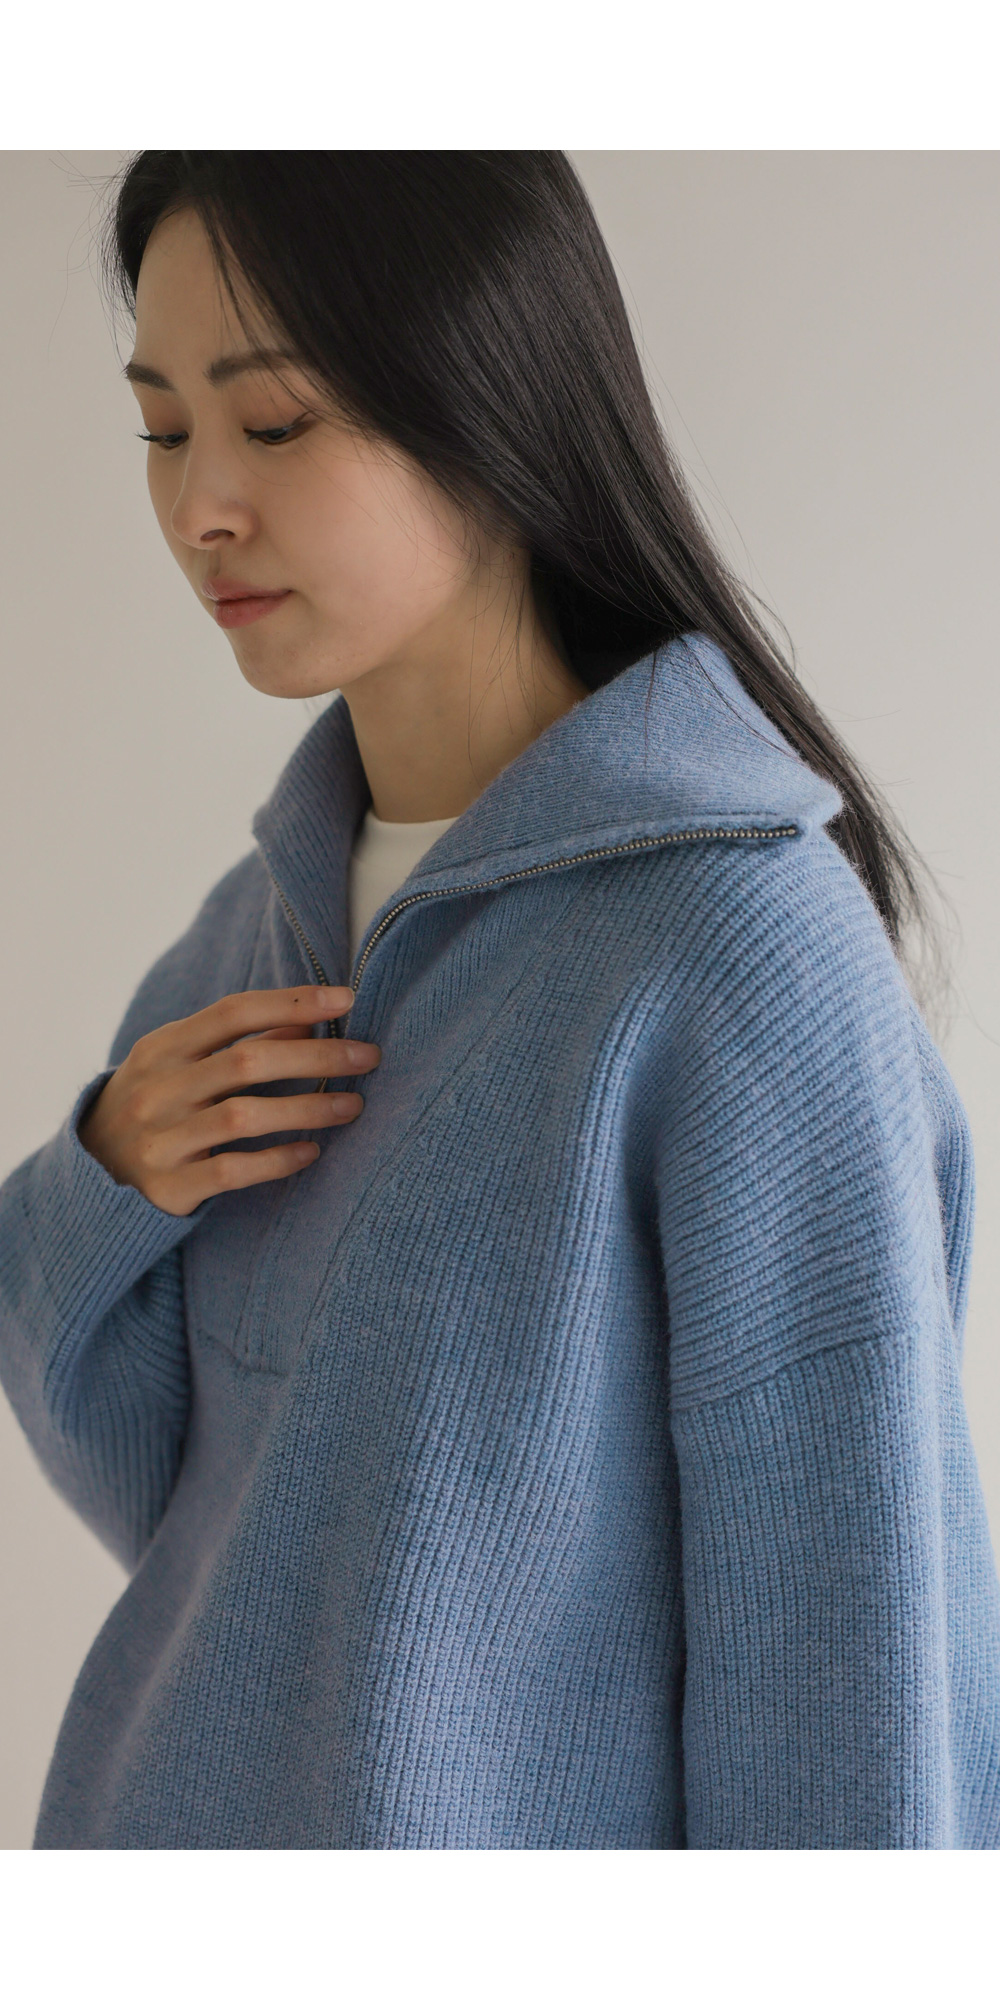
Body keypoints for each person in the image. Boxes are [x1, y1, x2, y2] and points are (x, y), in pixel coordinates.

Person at [1, 150, 998, 1850]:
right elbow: (189, 1523)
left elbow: (854, 1677)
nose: (199, 507)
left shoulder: (741, 960)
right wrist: (93, 1186)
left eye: (275, 421)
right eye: (163, 429)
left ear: (488, 403)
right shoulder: (256, 932)